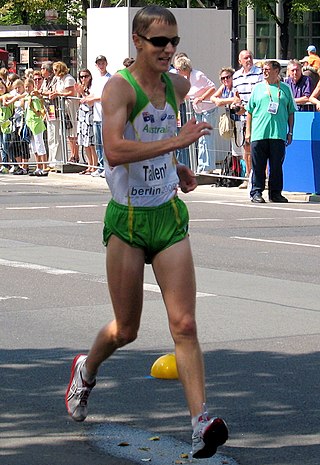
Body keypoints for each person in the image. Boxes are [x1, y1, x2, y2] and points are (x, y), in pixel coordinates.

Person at [65, 5, 228, 460]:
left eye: (174, 41)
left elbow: (152, 144)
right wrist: (177, 144)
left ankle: (200, 424)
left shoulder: (176, 86)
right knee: (127, 329)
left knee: (185, 323)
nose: (169, 50)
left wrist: (174, 166)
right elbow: (116, 150)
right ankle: (86, 369)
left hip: (167, 215)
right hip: (129, 221)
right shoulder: (120, 88)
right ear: (138, 42)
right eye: (160, 42)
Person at [246, 60, 296, 204]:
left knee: (276, 166)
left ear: (276, 71)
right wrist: (248, 131)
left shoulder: (285, 89)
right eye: (263, 69)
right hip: (259, 133)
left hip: (278, 134)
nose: (264, 71)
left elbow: (291, 112)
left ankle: (275, 193)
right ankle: (256, 192)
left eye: (267, 69)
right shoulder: (257, 88)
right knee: (258, 165)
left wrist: (290, 132)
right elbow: (249, 111)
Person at [174, 55, 217, 173]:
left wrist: (202, 97)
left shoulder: (198, 75)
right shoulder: (185, 79)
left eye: (178, 69)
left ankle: (208, 166)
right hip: (198, 110)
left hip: (208, 109)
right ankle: (202, 165)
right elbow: (189, 94)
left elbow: (212, 87)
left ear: (184, 68)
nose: (177, 71)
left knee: (207, 137)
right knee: (200, 138)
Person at [232, 50, 263, 188]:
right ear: (240, 61)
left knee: (261, 146)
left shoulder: (259, 72)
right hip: (244, 116)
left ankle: (263, 177)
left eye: (250, 57)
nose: (249, 60)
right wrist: (236, 104)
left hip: (259, 115)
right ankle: (249, 176)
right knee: (247, 147)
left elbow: (262, 93)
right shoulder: (236, 76)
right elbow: (236, 95)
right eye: (245, 58)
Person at [80, 55, 112, 177]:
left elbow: (107, 96)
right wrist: (86, 98)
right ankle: (100, 166)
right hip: (97, 115)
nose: (101, 65)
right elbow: (92, 94)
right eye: (99, 63)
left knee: (105, 143)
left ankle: (107, 167)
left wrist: (92, 98)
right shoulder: (97, 79)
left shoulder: (109, 78)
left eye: (102, 63)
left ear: (106, 64)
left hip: (106, 115)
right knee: (98, 143)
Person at [211, 67, 244, 158]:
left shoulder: (237, 86)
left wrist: (222, 101)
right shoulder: (224, 87)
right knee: (235, 149)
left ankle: (247, 170)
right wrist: (219, 101)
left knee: (242, 147)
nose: (225, 79)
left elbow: (237, 98)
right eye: (223, 78)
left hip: (240, 119)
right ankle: (237, 170)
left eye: (227, 77)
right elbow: (213, 97)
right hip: (231, 120)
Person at [50, 61, 79, 164]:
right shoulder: (58, 79)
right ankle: (72, 155)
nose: (54, 72)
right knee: (68, 132)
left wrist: (58, 94)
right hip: (63, 107)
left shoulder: (68, 79)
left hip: (70, 106)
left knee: (72, 131)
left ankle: (75, 155)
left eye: (55, 70)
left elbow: (71, 92)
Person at [22, 78, 48, 177]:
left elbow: (39, 112)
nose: (27, 88)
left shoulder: (34, 98)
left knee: (39, 144)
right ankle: (38, 167)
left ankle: (44, 167)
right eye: (26, 86)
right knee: (34, 147)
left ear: (33, 86)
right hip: (29, 124)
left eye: (29, 86)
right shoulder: (27, 97)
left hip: (36, 124)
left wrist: (31, 105)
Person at [39, 61, 61, 170]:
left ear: (47, 70)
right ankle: (51, 161)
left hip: (55, 109)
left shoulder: (55, 79)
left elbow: (53, 91)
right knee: (50, 137)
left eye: (42, 69)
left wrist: (43, 93)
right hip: (48, 110)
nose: (41, 71)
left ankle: (56, 161)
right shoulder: (45, 80)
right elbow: (42, 90)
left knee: (56, 136)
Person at [75, 68, 98, 174]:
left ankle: (94, 165)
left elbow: (89, 101)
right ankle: (89, 165)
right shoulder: (81, 87)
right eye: (81, 77)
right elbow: (79, 101)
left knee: (91, 142)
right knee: (85, 142)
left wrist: (82, 93)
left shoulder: (93, 87)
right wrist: (79, 92)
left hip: (90, 114)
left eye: (85, 76)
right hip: (82, 114)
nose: (83, 79)